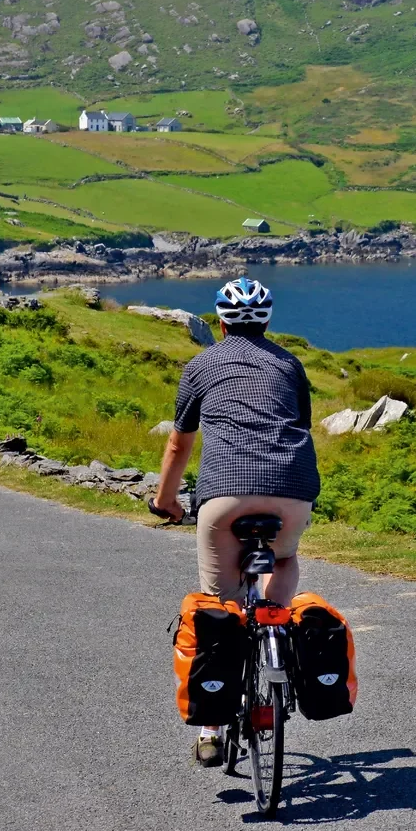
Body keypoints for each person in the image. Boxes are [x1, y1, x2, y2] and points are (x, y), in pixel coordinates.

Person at [153, 276, 319, 767]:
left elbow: (179, 443)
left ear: (219, 322)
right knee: (283, 559)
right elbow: (301, 426)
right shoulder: (289, 365)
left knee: (219, 605)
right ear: (267, 320)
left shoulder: (201, 364)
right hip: (292, 489)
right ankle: (275, 622)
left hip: (224, 493)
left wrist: (166, 499)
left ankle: (210, 728)